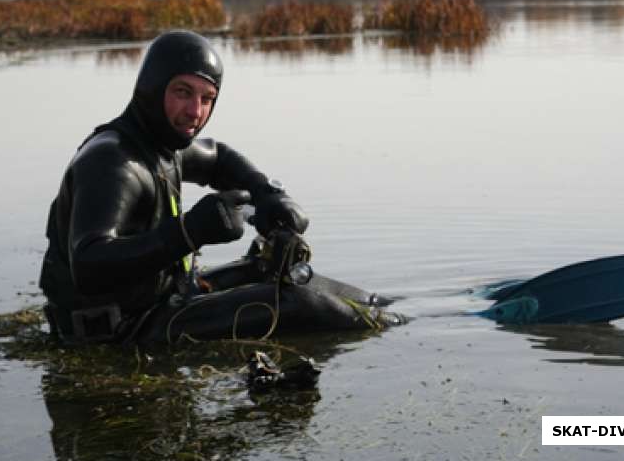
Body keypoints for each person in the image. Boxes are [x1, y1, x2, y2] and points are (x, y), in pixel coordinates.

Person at [39, 30, 402, 346]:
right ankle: (405, 330)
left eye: (207, 98)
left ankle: (393, 309)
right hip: (121, 330)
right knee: (300, 303)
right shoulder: (114, 162)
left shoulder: (162, 144)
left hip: (164, 299)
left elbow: (217, 158)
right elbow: (88, 265)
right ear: (151, 87)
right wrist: (189, 231)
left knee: (272, 269)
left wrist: (268, 194)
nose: (195, 111)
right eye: (182, 92)